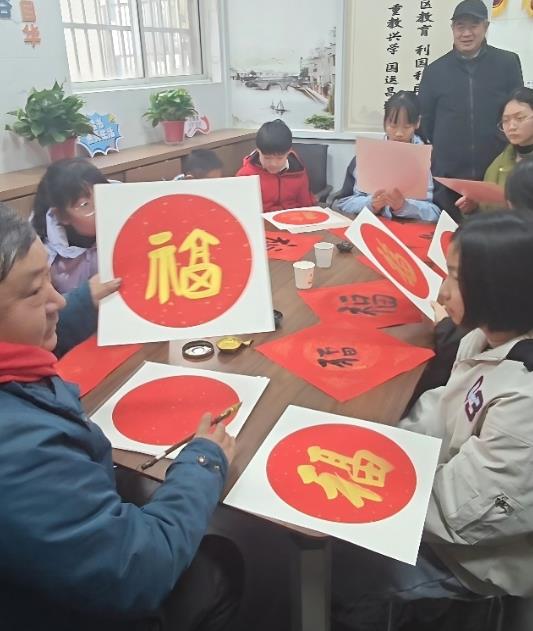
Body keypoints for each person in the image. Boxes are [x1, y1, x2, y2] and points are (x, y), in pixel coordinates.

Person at [0, 204, 243, 631]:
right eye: (35, 290)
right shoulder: (18, 452)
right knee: (221, 563)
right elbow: (136, 570)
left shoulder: (17, 368)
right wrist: (202, 462)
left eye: (50, 280)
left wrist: (84, 302)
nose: (57, 299)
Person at [333, 210, 533, 629]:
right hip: (440, 496)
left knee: (339, 572)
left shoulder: (524, 400)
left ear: (498, 286)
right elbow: (442, 408)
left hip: (469, 558)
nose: (441, 293)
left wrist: (368, 489)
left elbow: (462, 513)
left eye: (455, 277)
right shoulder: (485, 337)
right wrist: (385, 444)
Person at [418, 0, 523, 221]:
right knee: (448, 235)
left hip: (496, 172)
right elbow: (426, 122)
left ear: (486, 27)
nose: (466, 33)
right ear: (452, 28)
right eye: (460, 26)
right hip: (449, 178)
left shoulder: (507, 63)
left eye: (473, 25)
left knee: (495, 234)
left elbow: (516, 110)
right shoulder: (435, 71)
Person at [335, 91, 441, 222]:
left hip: (413, 228)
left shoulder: (430, 158)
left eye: (406, 127)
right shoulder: (367, 154)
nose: (399, 133)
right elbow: (343, 203)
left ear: (417, 123)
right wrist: (371, 204)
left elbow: (437, 213)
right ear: (384, 123)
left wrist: (405, 206)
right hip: (373, 225)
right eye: (393, 126)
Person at [31, 158, 109, 294]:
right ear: (62, 216)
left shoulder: (123, 215)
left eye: (102, 196)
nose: (101, 209)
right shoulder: (44, 257)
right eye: (85, 204)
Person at [457, 87, 533, 213]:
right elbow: (489, 211)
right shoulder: (499, 163)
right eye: (505, 120)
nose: (511, 126)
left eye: (520, 118)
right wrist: (475, 207)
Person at [236, 119, 315, 212]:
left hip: (293, 217)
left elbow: (306, 205)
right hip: (262, 219)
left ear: (289, 152)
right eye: (267, 158)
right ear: (258, 151)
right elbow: (241, 210)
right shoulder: (246, 175)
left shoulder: (298, 170)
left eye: (280, 158)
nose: (273, 164)